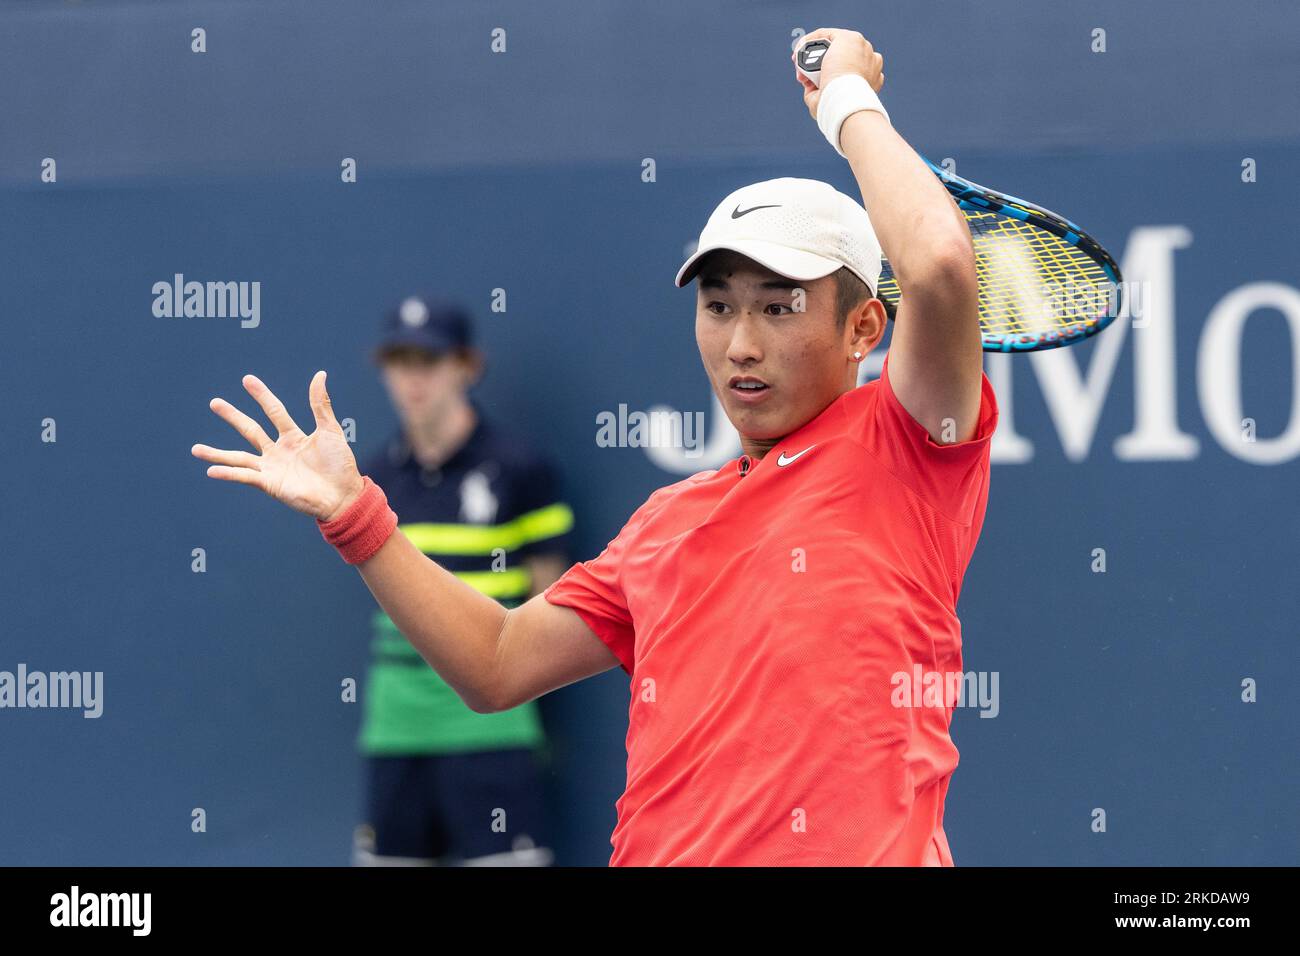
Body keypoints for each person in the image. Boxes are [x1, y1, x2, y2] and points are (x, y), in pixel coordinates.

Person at [192, 28, 998, 866]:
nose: (741, 343)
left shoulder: (904, 446)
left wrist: (844, 100)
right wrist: (358, 518)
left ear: (864, 326)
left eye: (780, 306)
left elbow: (939, 264)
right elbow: (495, 665)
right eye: (718, 306)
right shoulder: (665, 524)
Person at [356, 296, 572, 865]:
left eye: (428, 360)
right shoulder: (371, 478)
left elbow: (550, 611)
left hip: (494, 738)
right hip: (395, 734)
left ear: (466, 367)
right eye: (399, 361)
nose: (413, 378)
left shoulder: (521, 469)